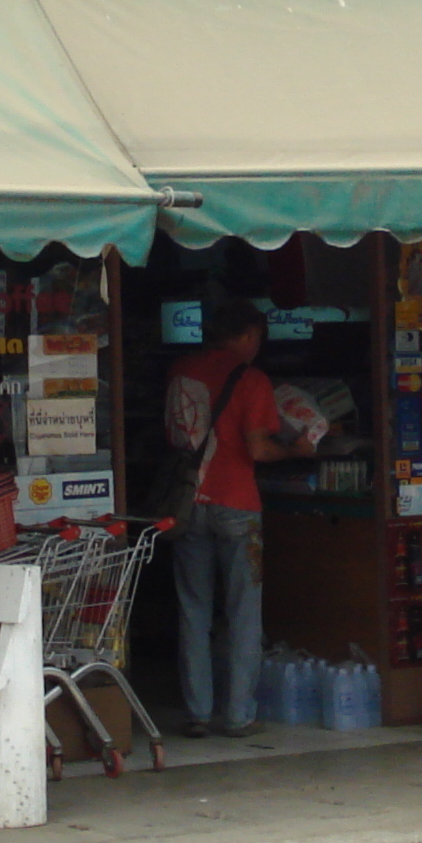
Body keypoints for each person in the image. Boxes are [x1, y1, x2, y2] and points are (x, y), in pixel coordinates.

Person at [163, 297, 320, 737]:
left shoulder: (180, 372)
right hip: (237, 504)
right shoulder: (251, 380)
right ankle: (238, 716)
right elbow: (258, 448)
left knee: (193, 610)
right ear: (248, 335)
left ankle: (197, 713)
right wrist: (296, 449)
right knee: (242, 613)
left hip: (188, 504)